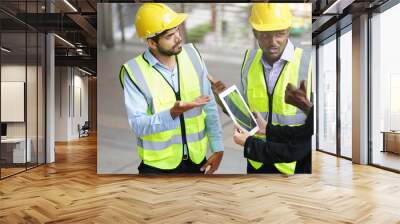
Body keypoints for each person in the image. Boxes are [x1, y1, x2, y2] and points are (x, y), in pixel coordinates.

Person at [120, 3, 224, 174]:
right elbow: (138, 125)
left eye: (177, 30)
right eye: (169, 36)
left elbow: (209, 106)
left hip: (197, 161)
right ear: (152, 43)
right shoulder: (133, 71)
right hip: (158, 168)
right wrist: (172, 114)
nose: (178, 38)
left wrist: (218, 147)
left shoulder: (193, 55)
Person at [209, 3, 313, 174]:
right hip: (257, 159)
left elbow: (313, 127)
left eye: (280, 34)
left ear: (288, 30)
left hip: (293, 164)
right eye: (265, 35)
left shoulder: (308, 63)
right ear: (255, 33)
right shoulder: (249, 61)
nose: (273, 42)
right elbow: (248, 115)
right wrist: (225, 101)